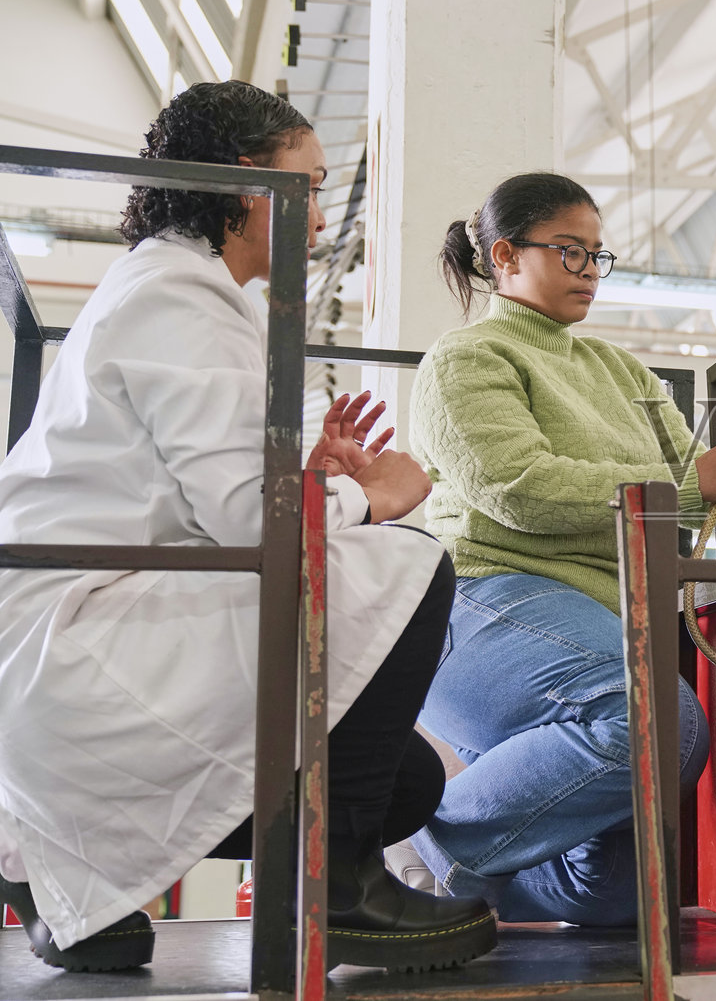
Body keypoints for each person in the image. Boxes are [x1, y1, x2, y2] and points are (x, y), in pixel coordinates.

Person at [0, 81, 495, 974]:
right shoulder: (180, 296)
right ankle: (338, 892)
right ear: (243, 185)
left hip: (76, 626)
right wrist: (371, 497)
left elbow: (202, 500)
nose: (315, 215)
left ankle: (43, 862)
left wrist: (309, 479)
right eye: (304, 184)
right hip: (71, 640)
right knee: (411, 562)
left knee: (408, 782)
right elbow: (242, 519)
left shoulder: (171, 287)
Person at [406, 172, 716, 925]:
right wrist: (683, 480)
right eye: (570, 251)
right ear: (504, 255)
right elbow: (519, 488)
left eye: (598, 256)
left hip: (600, 618)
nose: (588, 272)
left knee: (616, 895)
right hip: (487, 599)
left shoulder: (621, 371)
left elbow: (695, 485)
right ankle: (433, 840)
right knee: (654, 718)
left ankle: (474, 881)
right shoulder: (466, 359)